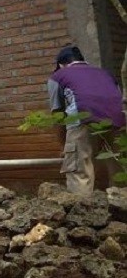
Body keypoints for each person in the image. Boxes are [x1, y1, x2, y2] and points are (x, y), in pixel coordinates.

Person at [48, 45, 125, 196]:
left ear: (60, 65)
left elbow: (57, 114)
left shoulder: (58, 76)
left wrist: (64, 146)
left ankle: (83, 216)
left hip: (82, 122)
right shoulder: (106, 73)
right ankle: (122, 213)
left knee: (80, 173)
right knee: (119, 172)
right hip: (117, 123)